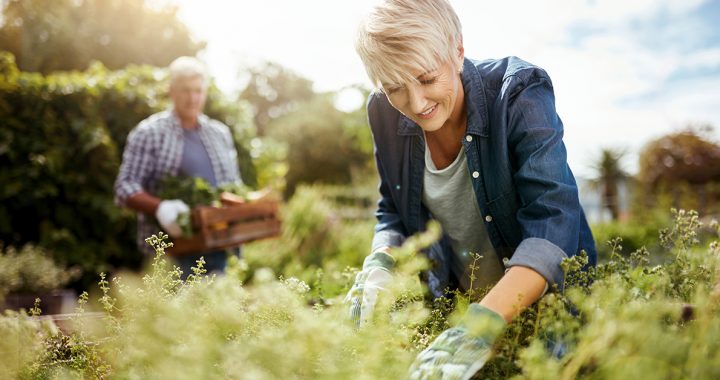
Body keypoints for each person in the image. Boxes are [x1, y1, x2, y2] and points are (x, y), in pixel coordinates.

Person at [346, 0, 597, 378]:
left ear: (458, 50)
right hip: (458, 310)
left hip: (549, 309)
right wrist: (381, 259)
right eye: (396, 87)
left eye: (428, 79)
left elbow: (553, 222)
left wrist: (482, 325)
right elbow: (393, 207)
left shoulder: (519, 94)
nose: (417, 103)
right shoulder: (382, 110)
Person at [114, 56, 242, 279]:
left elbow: (233, 187)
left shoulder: (220, 134)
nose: (192, 98)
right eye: (185, 90)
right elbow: (124, 187)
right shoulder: (149, 133)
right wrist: (160, 207)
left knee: (222, 312)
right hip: (172, 251)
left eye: (198, 91)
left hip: (221, 246)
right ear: (171, 91)